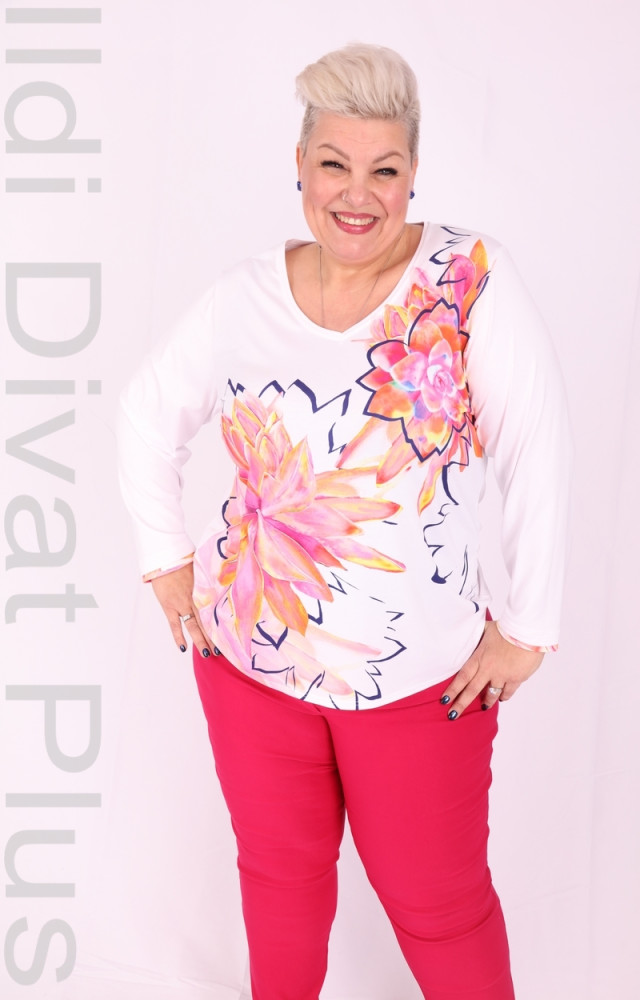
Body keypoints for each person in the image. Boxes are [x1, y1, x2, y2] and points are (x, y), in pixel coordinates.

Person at [118, 43, 570, 1000]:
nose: (357, 194)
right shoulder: (241, 298)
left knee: (442, 911)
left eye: (384, 170)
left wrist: (528, 627)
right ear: (299, 166)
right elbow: (145, 416)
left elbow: (536, 443)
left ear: (414, 174)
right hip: (250, 668)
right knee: (279, 886)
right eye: (334, 164)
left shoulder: (466, 279)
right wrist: (166, 560)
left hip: (419, 683)